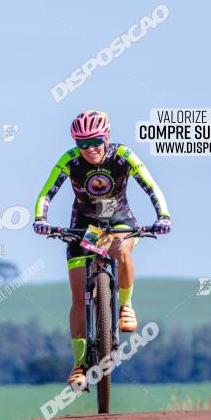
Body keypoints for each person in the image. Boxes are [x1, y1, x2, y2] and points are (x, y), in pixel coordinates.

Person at [33, 110, 171, 388]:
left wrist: (163, 216)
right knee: (78, 296)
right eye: (82, 144)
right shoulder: (70, 160)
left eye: (95, 141)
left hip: (119, 222)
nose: (90, 149)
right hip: (84, 227)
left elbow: (151, 186)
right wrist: (41, 219)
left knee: (120, 250)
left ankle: (126, 306)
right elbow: (47, 193)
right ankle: (79, 365)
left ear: (106, 137)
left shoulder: (123, 156)